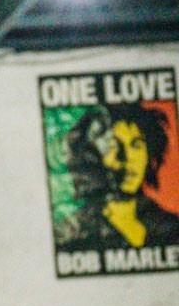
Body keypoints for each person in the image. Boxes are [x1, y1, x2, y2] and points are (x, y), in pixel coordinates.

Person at [63, 104, 179, 249]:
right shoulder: (71, 231)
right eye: (113, 146)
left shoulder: (170, 226)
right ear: (90, 155)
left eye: (136, 146)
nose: (128, 158)